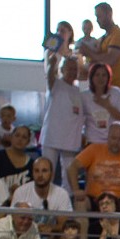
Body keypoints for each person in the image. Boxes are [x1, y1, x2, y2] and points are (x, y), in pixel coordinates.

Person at [67, 121, 120, 217]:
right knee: (80, 203)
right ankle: (82, 227)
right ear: (108, 136)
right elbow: (72, 168)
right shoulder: (94, 149)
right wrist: (76, 190)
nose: (116, 143)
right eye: (113, 138)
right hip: (95, 198)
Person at [40, 53, 82, 188]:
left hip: (70, 139)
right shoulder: (56, 84)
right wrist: (52, 63)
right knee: (47, 171)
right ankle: (44, 198)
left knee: (69, 175)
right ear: (62, 70)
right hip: (51, 137)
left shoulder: (78, 91)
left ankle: (67, 199)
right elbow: (50, 77)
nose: (72, 72)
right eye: (69, 68)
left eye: (75, 69)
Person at [10, 156, 73, 239]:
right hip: (25, 236)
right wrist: (34, 229)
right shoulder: (21, 192)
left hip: (52, 238)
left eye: (44, 171)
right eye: (36, 171)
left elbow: (64, 224)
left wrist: (50, 228)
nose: (40, 175)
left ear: (52, 174)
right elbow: (13, 220)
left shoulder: (62, 194)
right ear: (32, 173)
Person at [80, 3, 120, 96]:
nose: (97, 20)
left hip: (117, 87)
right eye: (96, 17)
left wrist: (88, 52)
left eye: (99, 16)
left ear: (109, 14)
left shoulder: (119, 35)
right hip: (101, 87)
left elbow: (109, 60)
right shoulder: (101, 39)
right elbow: (96, 61)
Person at [81, 61, 120, 147]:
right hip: (91, 141)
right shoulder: (84, 96)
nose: (101, 78)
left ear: (108, 77)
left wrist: (107, 106)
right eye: (97, 75)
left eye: (104, 75)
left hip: (111, 142)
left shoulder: (115, 92)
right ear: (91, 77)